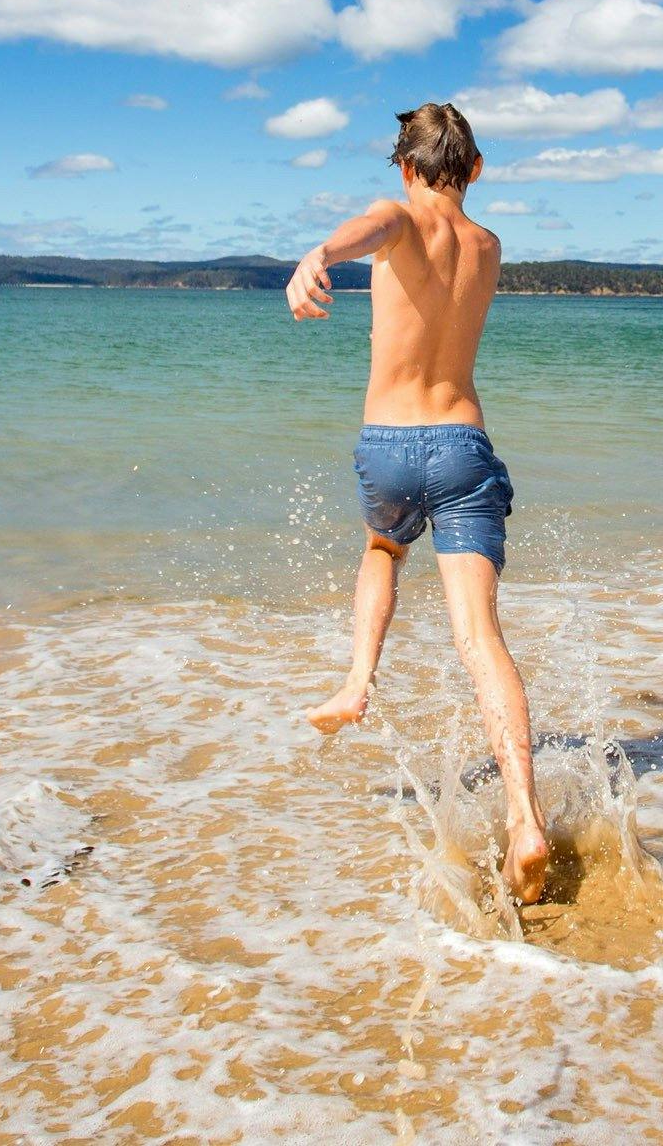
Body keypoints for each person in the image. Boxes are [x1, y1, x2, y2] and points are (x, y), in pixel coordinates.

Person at [286, 102, 550, 903]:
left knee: (382, 549)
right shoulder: (490, 245)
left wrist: (316, 257)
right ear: (475, 169)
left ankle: (358, 681)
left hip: (392, 444)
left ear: (403, 167)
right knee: (481, 641)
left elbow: (368, 231)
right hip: (464, 444)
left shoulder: (396, 217)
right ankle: (525, 817)